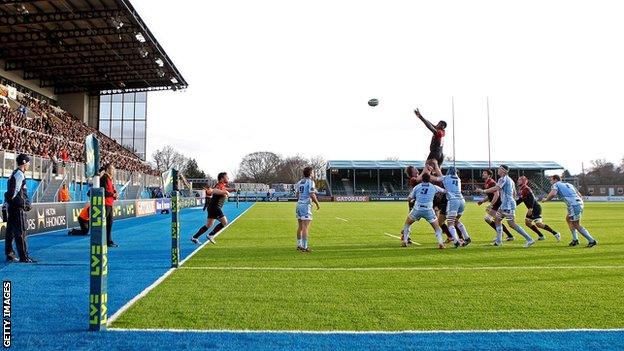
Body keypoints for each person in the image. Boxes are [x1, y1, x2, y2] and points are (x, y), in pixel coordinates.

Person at [477, 165, 534, 247]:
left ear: (503, 171)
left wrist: (483, 190)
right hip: (505, 204)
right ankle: (499, 241)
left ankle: (529, 239)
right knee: (497, 219)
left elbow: (496, 188)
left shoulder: (502, 179)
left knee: (512, 224)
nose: (498, 171)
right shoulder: (510, 180)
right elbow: (514, 193)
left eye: (499, 169)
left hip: (507, 205)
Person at [542, 175, 596, 247]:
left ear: (555, 180)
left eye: (551, 180)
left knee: (576, 224)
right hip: (578, 203)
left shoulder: (556, 184)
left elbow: (553, 194)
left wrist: (546, 199)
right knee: (568, 219)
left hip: (574, 205)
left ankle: (591, 240)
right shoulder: (569, 184)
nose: (550, 182)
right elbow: (579, 195)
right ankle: (575, 240)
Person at [4, 154, 36, 263]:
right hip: (17, 208)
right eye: (28, 162)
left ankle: (10, 254)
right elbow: (14, 191)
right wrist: (24, 203)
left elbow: (10, 192)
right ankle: (24, 257)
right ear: (24, 162)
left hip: (12, 207)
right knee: (21, 232)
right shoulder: (19, 174)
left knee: (11, 232)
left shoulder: (14, 173)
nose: (29, 164)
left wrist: (7, 203)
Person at [401, 173, 447, 249]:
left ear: (422, 179)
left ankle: (405, 241)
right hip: (428, 210)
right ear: (430, 179)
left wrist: (413, 199)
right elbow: (444, 191)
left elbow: (409, 198)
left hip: (417, 209)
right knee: (437, 228)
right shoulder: (434, 187)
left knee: (407, 224)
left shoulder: (417, 187)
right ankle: (441, 243)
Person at [191, 172, 237, 244]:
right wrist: (225, 192)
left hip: (212, 207)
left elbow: (225, 189)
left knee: (208, 225)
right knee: (224, 222)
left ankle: (194, 237)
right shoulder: (218, 185)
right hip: (215, 207)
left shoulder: (222, 186)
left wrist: (232, 190)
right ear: (222, 178)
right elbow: (214, 190)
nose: (228, 178)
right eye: (226, 177)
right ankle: (210, 235)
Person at [516, 176, 561, 242]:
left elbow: (531, 198)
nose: (518, 181)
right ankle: (541, 236)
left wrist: (530, 208)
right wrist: (513, 205)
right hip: (531, 208)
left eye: (519, 180)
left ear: (523, 181)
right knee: (528, 223)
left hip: (535, 208)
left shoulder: (526, 189)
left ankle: (556, 233)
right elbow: (520, 200)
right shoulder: (522, 189)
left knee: (538, 224)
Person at [435, 166, 471, 247]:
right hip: (462, 200)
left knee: (450, 223)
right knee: (456, 221)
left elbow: (436, 177)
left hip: (453, 201)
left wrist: (427, 173)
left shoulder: (446, 178)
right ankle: (466, 237)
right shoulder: (458, 179)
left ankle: (456, 240)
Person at [477, 169, 515, 241]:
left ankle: (503, 235)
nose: (483, 174)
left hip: (498, 203)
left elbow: (496, 194)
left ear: (489, 175)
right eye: (483, 173)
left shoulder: (491, 182)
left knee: (490, 219)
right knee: (491, 219)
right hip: (496, 204)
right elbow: (490, 196)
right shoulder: (487, 182)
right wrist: (482, 201)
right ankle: (505, 235)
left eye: (484, 173)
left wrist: (491, 205)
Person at [295, 166, 320, 252]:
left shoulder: (299, 182)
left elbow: (297, 194)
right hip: (305, 205)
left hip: (299, 205)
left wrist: (300, 200)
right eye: (312, 172)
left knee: (300, 226)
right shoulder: (310, 182)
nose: (313, 174)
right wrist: (317, 204)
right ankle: (305, 247)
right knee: (305, 227)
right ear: (310, 173)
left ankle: (299, 245)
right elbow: (312, 194)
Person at [100, 164, 119, 247]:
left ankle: (109, 241)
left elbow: (111, 190)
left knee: (110, 223)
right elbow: (104, 191)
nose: (113, 170)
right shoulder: (104, 178)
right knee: (104, 223)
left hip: (110, 203)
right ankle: (103, 240)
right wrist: (112, 194)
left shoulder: (110, 179)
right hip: (105, 203)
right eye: (112, 169)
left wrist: (114, 193)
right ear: (107, 169)